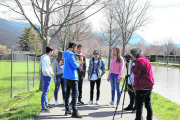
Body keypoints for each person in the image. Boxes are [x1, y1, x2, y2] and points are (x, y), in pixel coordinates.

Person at [129, 48, 154, 120]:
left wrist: (132, 66)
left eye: (131, 55)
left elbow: (136, 73)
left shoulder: (139, 61)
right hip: (148, 85)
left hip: (142, 86)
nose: (131, 56)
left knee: (139, 105)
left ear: (134, 54)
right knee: (148, 104)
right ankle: (150, 118)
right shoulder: (145, 59)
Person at [63, 41, 83, 118]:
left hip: (66, 76)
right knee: (75, 94)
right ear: (73, 47)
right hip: (72, 76)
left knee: (67, 93)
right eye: (75, 47)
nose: (76, 49)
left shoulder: (65, 54)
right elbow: (74, 65)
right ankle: (74, 111)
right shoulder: (70, 55)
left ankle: (67, 109)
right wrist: (79, 64)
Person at [40, 46, 54, 112]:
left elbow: (49, 67)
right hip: (47, 77)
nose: (52, 52)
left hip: (48, 76)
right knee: (45, 92)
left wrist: (51, 73)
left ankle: (46, 105)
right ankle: (43, 107)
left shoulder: (47, 58)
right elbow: (44, 69)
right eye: (52, 51)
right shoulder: (45, 58)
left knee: (46, 91)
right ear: (50, 51)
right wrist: (49, 75)